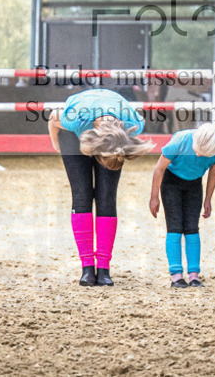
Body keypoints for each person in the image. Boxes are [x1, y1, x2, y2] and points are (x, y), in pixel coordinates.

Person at [47, 87, 152, 287]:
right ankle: (87, 268)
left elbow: (142, 120)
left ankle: (103, 268)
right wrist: (56, 144)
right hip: (72, 134)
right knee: (81, 194)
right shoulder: (73, 119)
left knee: (106, 196)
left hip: (113, 130)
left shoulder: (131, 123)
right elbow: (53, 117)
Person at [148, 124, 215, 288]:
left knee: (192, 228)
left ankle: (194, 275)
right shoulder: (180, 141)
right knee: (175, 226)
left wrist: (208, 198)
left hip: (194, 184)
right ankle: (176, 275)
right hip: (171, 182)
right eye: (197, 150)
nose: (198, 154)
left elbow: (214, 171)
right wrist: (154, 197)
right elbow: (159, 168)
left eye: (203, 154)